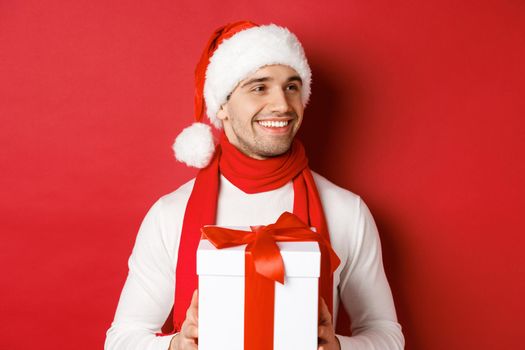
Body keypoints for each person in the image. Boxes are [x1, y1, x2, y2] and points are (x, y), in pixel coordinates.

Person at [105, 21, 405, 350]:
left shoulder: (346, 210)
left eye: (292, 87)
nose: (282, 105)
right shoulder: (170, 214)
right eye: (259, 87)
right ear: (221, 105)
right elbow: (121, 340)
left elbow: (386, 334)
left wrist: (338, 348)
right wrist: (177, 345)